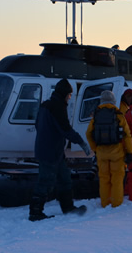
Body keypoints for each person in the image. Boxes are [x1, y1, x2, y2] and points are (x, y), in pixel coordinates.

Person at [29, 78, 91, 222]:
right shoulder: (57, 107)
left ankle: (68, 207)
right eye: (69, 95)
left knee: (65, 178)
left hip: (54, 150)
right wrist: (81, 142)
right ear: (64, 94)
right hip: (49, 151)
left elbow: (37, 124)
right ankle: (35, 212)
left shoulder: (46, 105)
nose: (70, 98)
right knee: (45, 181)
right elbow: (65, 129)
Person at [86, 90, 132, 208]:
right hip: (117, 152)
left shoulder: (96, 115)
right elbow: (127, 135)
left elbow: (88, 133)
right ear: (113, 101)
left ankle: (105, 203)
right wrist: (129, 152)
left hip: (102, 152)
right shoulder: (118, 115)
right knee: (117, 178)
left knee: (104, 178)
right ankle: (116, 204)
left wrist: (95, 149)